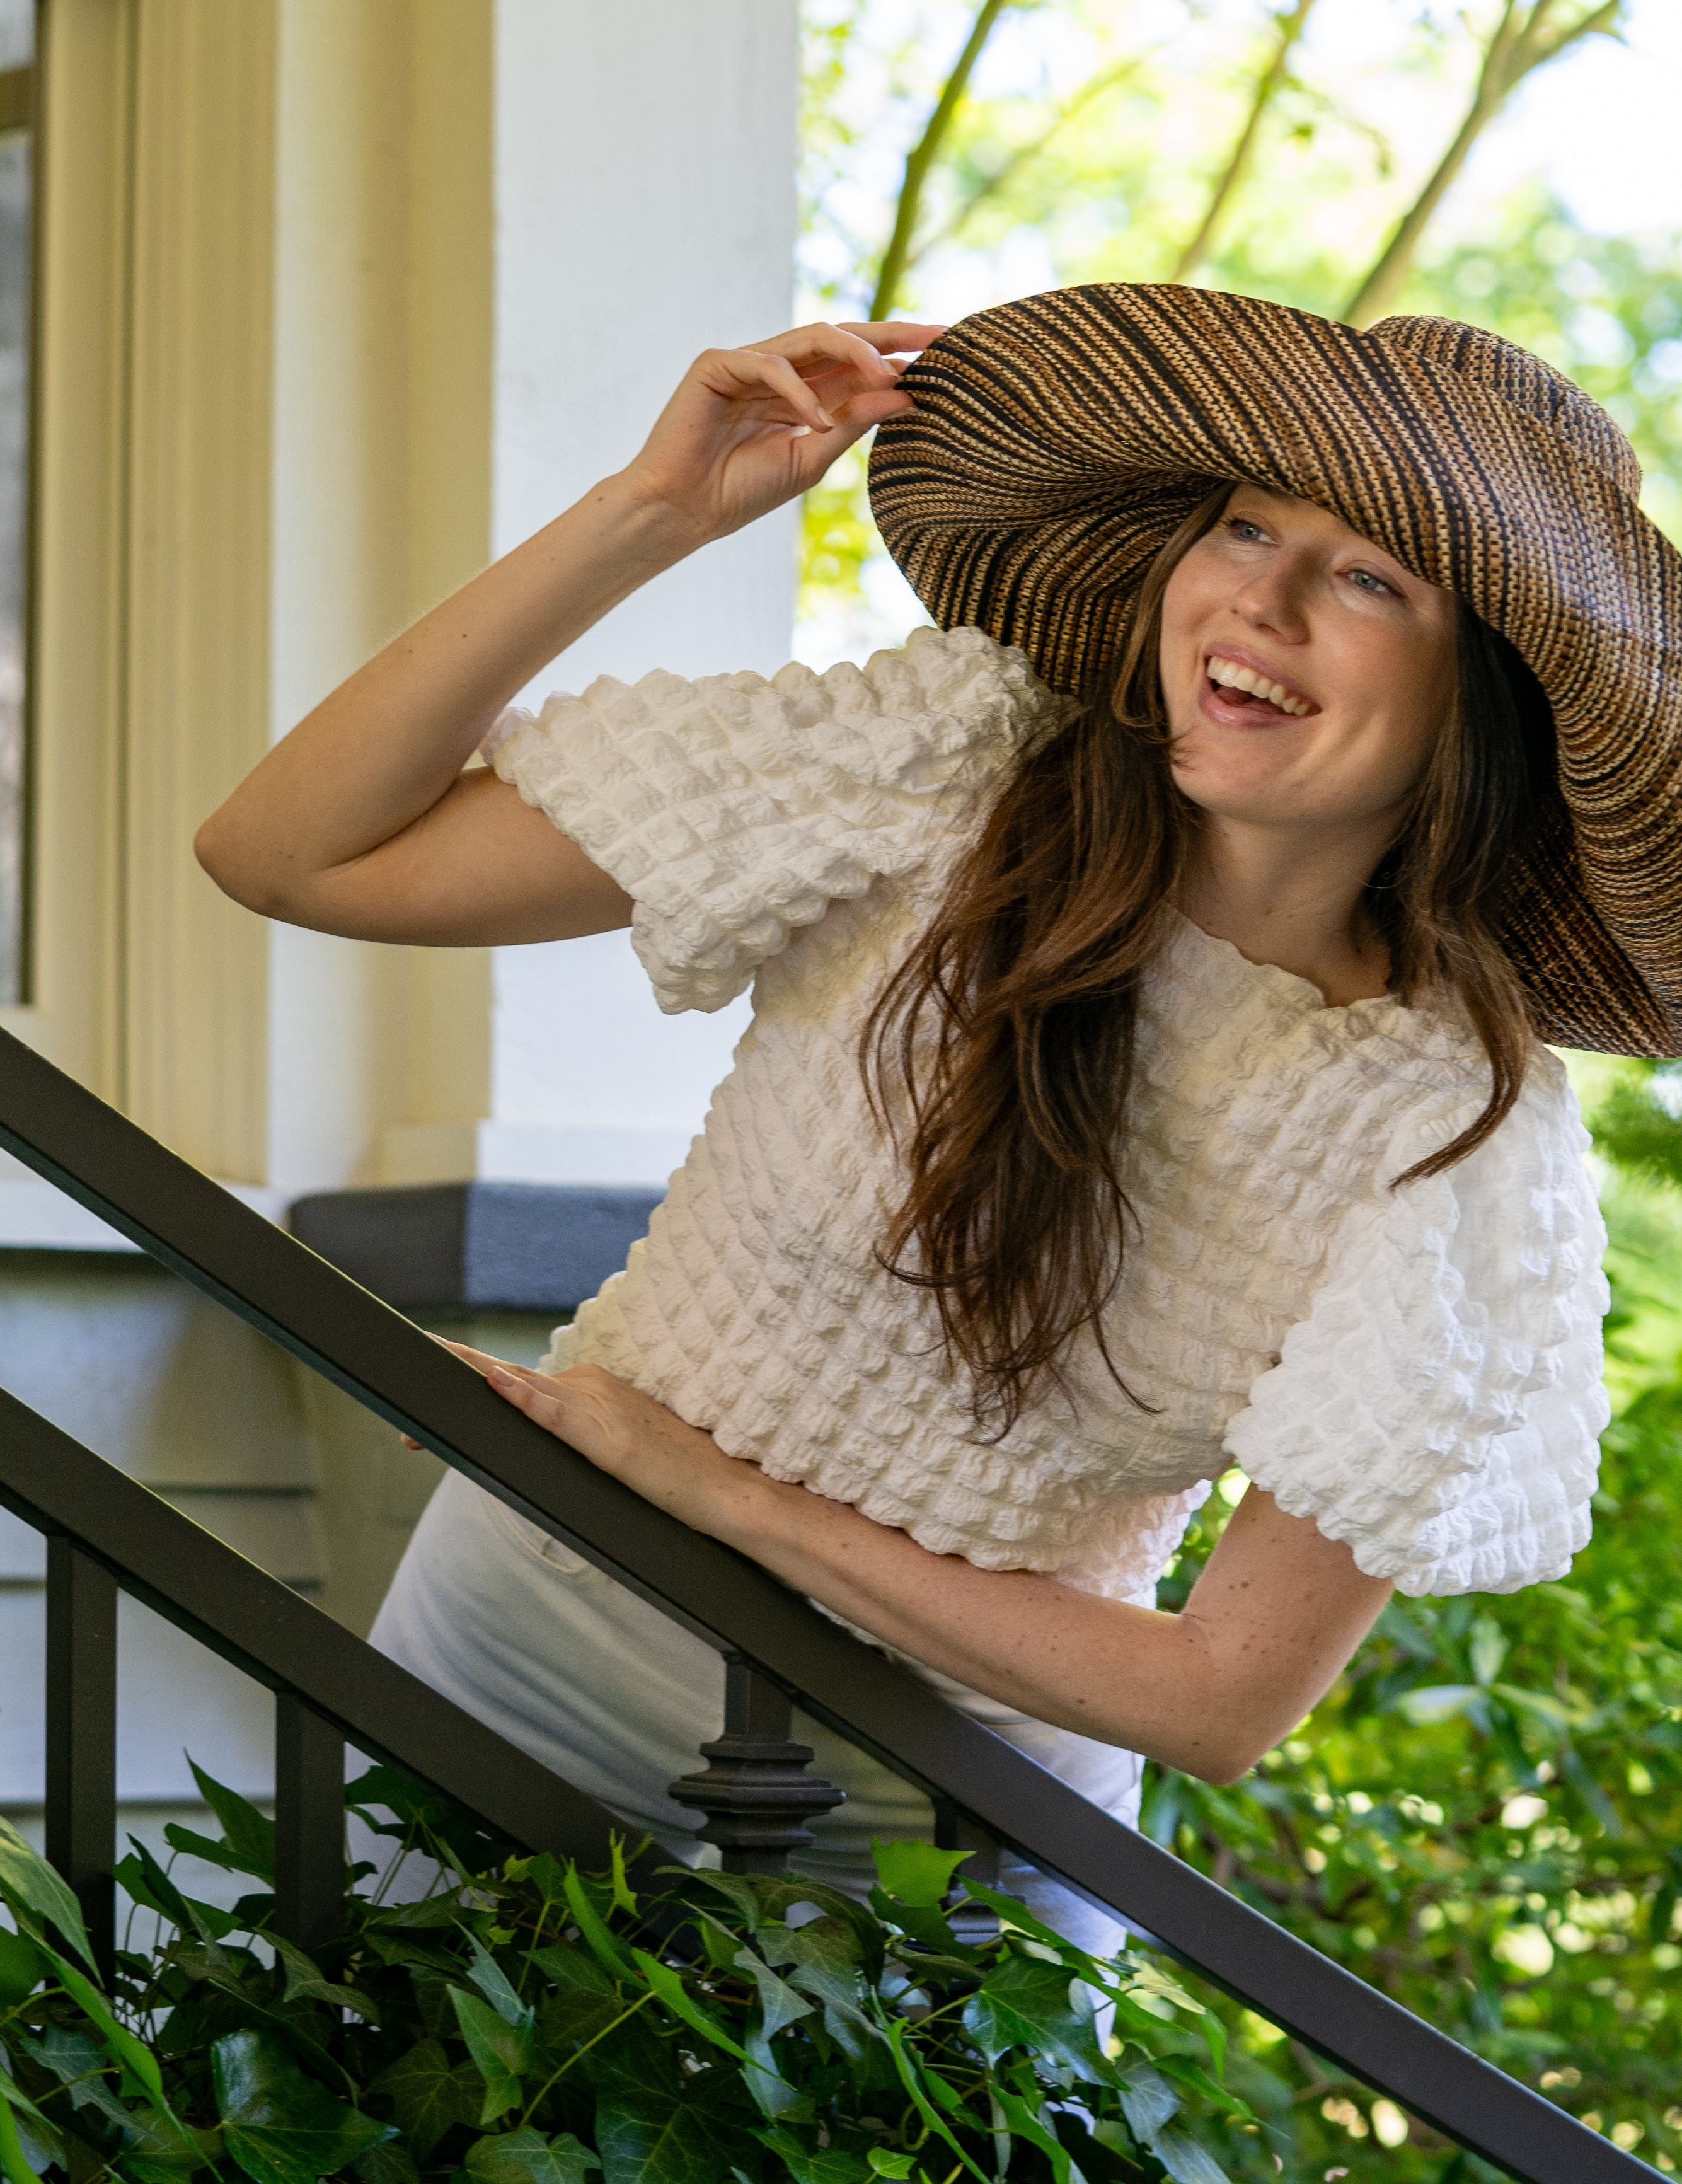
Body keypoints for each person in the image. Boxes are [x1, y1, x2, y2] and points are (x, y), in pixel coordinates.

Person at [199, 283, 1669, 1950]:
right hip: (514, 1675)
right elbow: (289, 855)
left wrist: (723, 1498)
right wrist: (650, 513)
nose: (1257, 596)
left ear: (1477, 694)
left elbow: (1224, 1700)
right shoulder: (946, 770)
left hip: (955, 1857)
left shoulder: (1450, 1125)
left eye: (1366, 578)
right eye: (1247, 525)